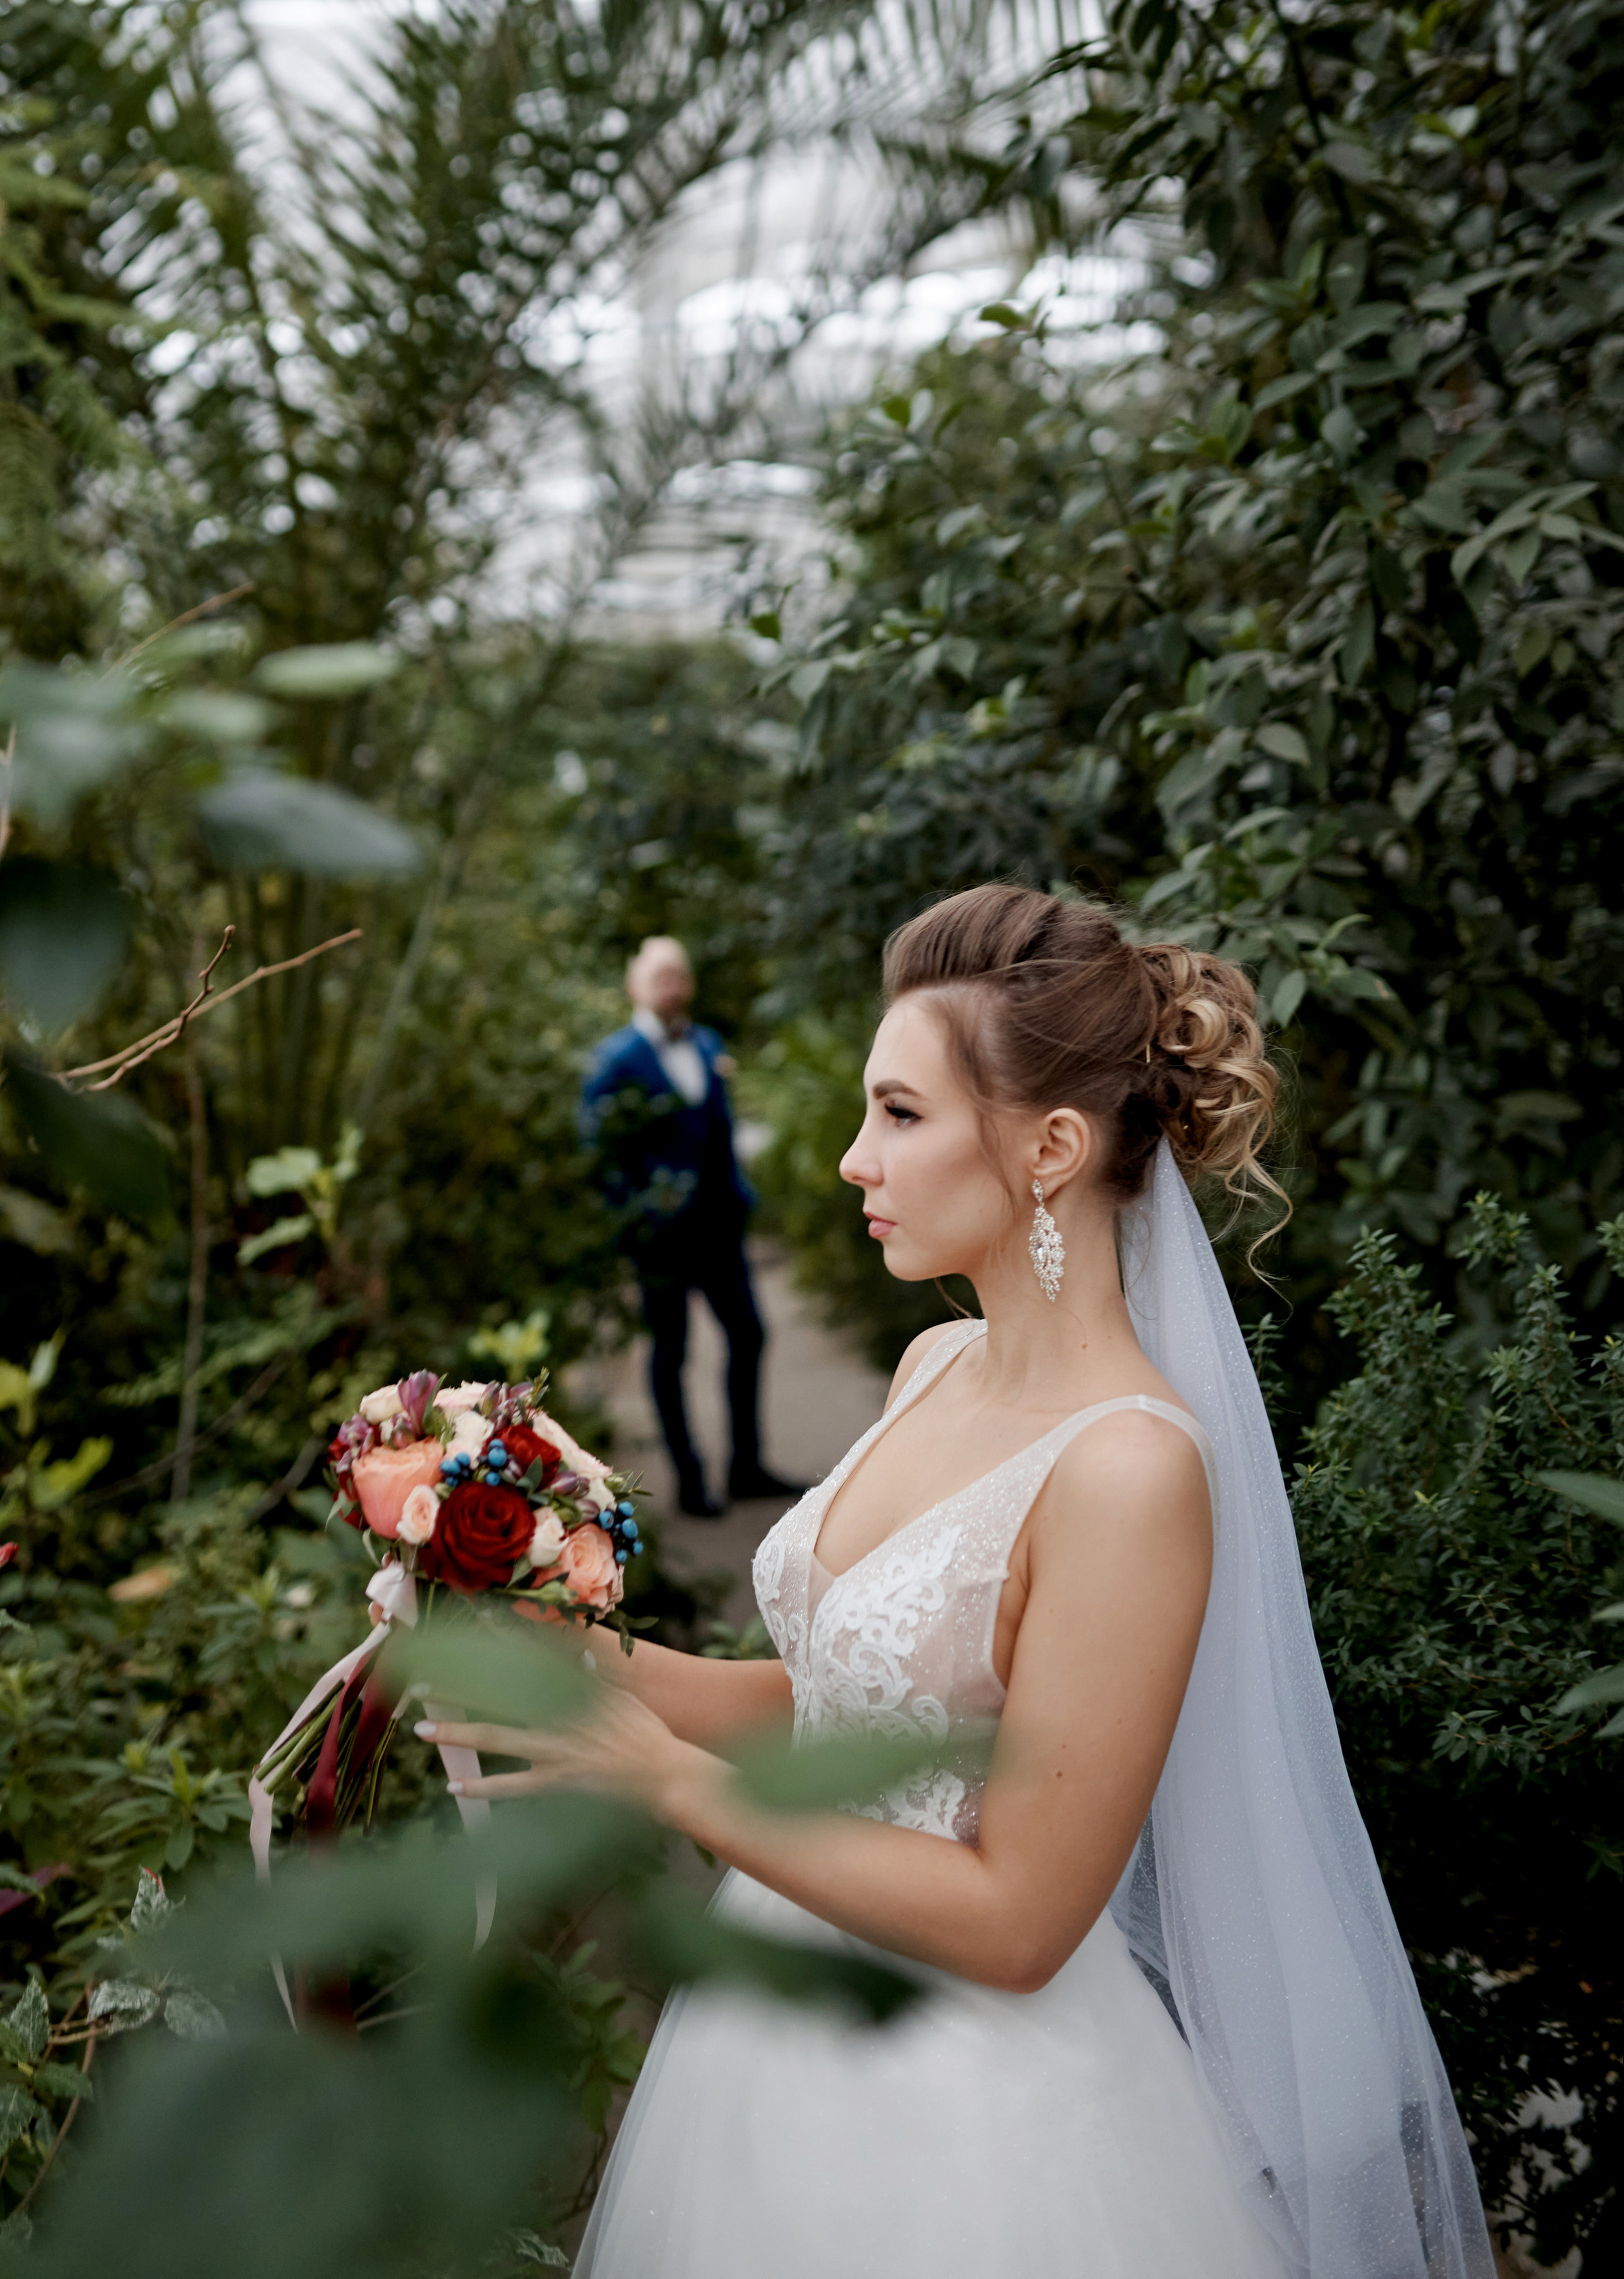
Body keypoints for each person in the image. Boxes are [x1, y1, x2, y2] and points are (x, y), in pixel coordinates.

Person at [432, 886, 1492, 2279]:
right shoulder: (932, 1366)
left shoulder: (1127, 1471)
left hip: (976, 2125)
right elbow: (849, 1715)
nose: (848, 1160)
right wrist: (568, 1645)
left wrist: (667, 1783)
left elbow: (1020, 1921)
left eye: (899, 1113)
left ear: (1050, 1147)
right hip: (774, 2032)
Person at [581, 936, 798, 1518]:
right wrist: (638, 1218)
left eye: (679, 976)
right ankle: (690, 1478)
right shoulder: (615, 1059)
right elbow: (598, 1153)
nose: (672, 988)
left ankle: (747, 1467)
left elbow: (720, 1133)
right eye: (660, 978)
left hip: (720, 1227)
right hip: (661, 1240)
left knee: (749, 1334)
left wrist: (740, 1197)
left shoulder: (706, 1043)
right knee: (671, 1353)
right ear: (636, 986)